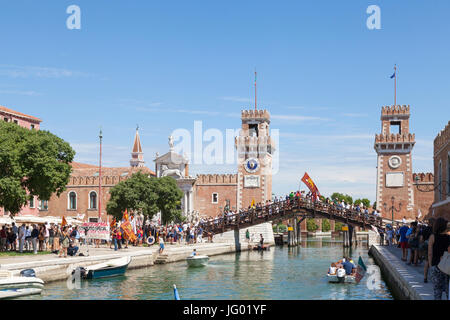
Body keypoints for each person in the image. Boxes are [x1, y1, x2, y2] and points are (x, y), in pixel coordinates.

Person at [428, 217, 449, 300]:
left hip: (435, 265)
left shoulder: (432, 237)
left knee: (437, 291)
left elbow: (430, 253)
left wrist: (430, 266)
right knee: (448, 290)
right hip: (446, 265)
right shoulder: (448, 237)